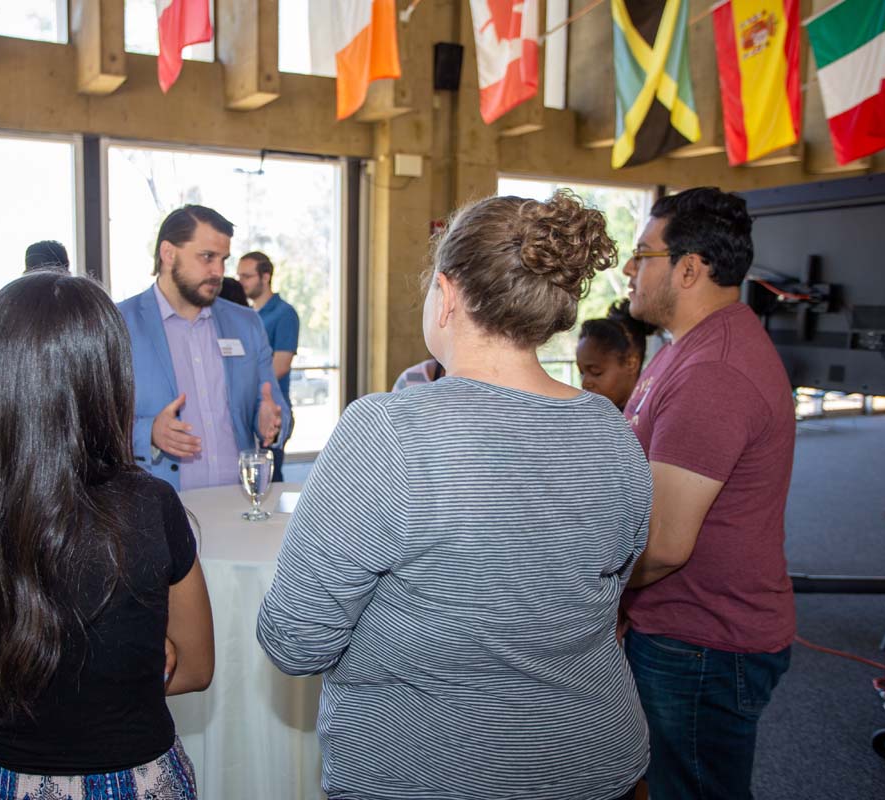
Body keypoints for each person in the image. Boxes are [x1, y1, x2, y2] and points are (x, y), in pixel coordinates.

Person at [258, 192, 651, 800]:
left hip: (428, 772)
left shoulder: (389, 430)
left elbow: (296, 638)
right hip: (592, 761)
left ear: (446, 295)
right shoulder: (612, 430)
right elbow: (599, 589)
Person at [0, 272, 214, 798]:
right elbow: (196, 668)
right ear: (108, 376)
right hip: (133, 779)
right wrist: (132, 670)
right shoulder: (150, 506)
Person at [620, 187, 795, 800]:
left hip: (700, 642)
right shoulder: (684, 349)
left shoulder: (713, 370)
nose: (628, 268)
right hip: (679, 626)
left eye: (642, 253)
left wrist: (575, 589)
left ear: (689, 268)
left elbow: (666, 545)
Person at [117, 205, 290, 491]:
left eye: (223, 259)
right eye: (207, 257)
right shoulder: (120, 324)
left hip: (238, 504)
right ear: (168, 253)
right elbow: (92, 424)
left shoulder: (247, 324)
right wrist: (148, 433)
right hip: (157, 509)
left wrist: (271, 420)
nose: (219, 271)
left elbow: (273, 401)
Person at [236, 251, 299, 482]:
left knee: (269, 477)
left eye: (247, 276)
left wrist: (242, 385)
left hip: (273, 409)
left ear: (265, 277)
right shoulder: (245, 316)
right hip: (247, 408)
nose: (241, 282)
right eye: (239, 276)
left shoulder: (284, 313)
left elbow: (280, 365)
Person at [576, 299, 657, 409]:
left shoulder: (651, 414)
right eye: (582, 373)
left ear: (631, 363)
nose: (585, 383)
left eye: (596, 372)